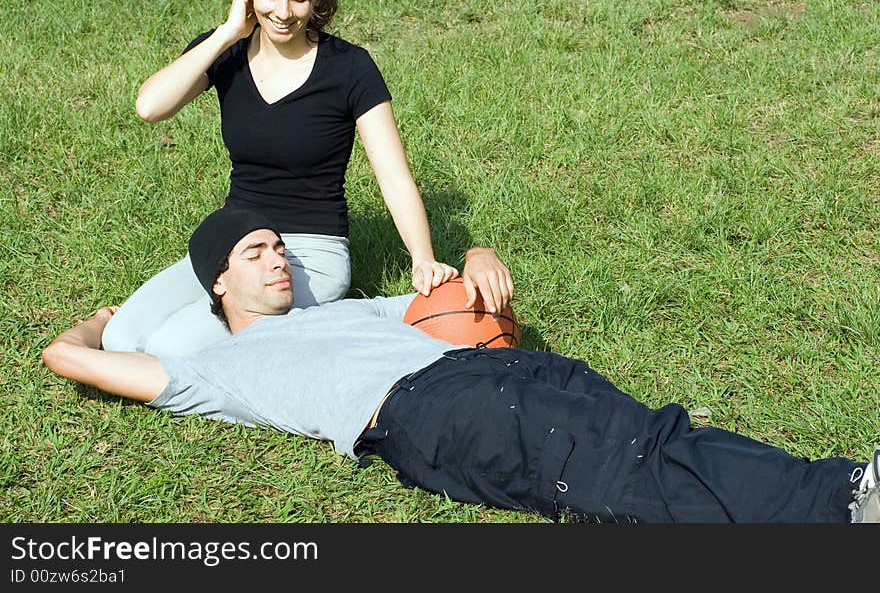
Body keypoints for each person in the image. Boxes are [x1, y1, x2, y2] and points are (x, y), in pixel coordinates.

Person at [42, 206, 879, 523]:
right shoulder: (215, 369)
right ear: (218, 280)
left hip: (505, 373)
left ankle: (844, 491)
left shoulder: (344, 308)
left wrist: (477, 251)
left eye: (279, 247)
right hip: (427, 413)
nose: (278, 260)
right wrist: (109, 318)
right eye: (256, 252)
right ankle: (836, 512)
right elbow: (65, 356)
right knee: (623, 478)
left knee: (657, 436)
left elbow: (447, 293)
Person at [102, 0, 506, 359]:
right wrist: (225, 34)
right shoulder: (228, 51)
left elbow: (394, 177)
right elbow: (149, 107)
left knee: (170, 349)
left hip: (312, 252)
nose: (282, 12)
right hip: (236, 243)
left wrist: (422, 257)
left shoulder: (350, 68)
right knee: (121, 340)